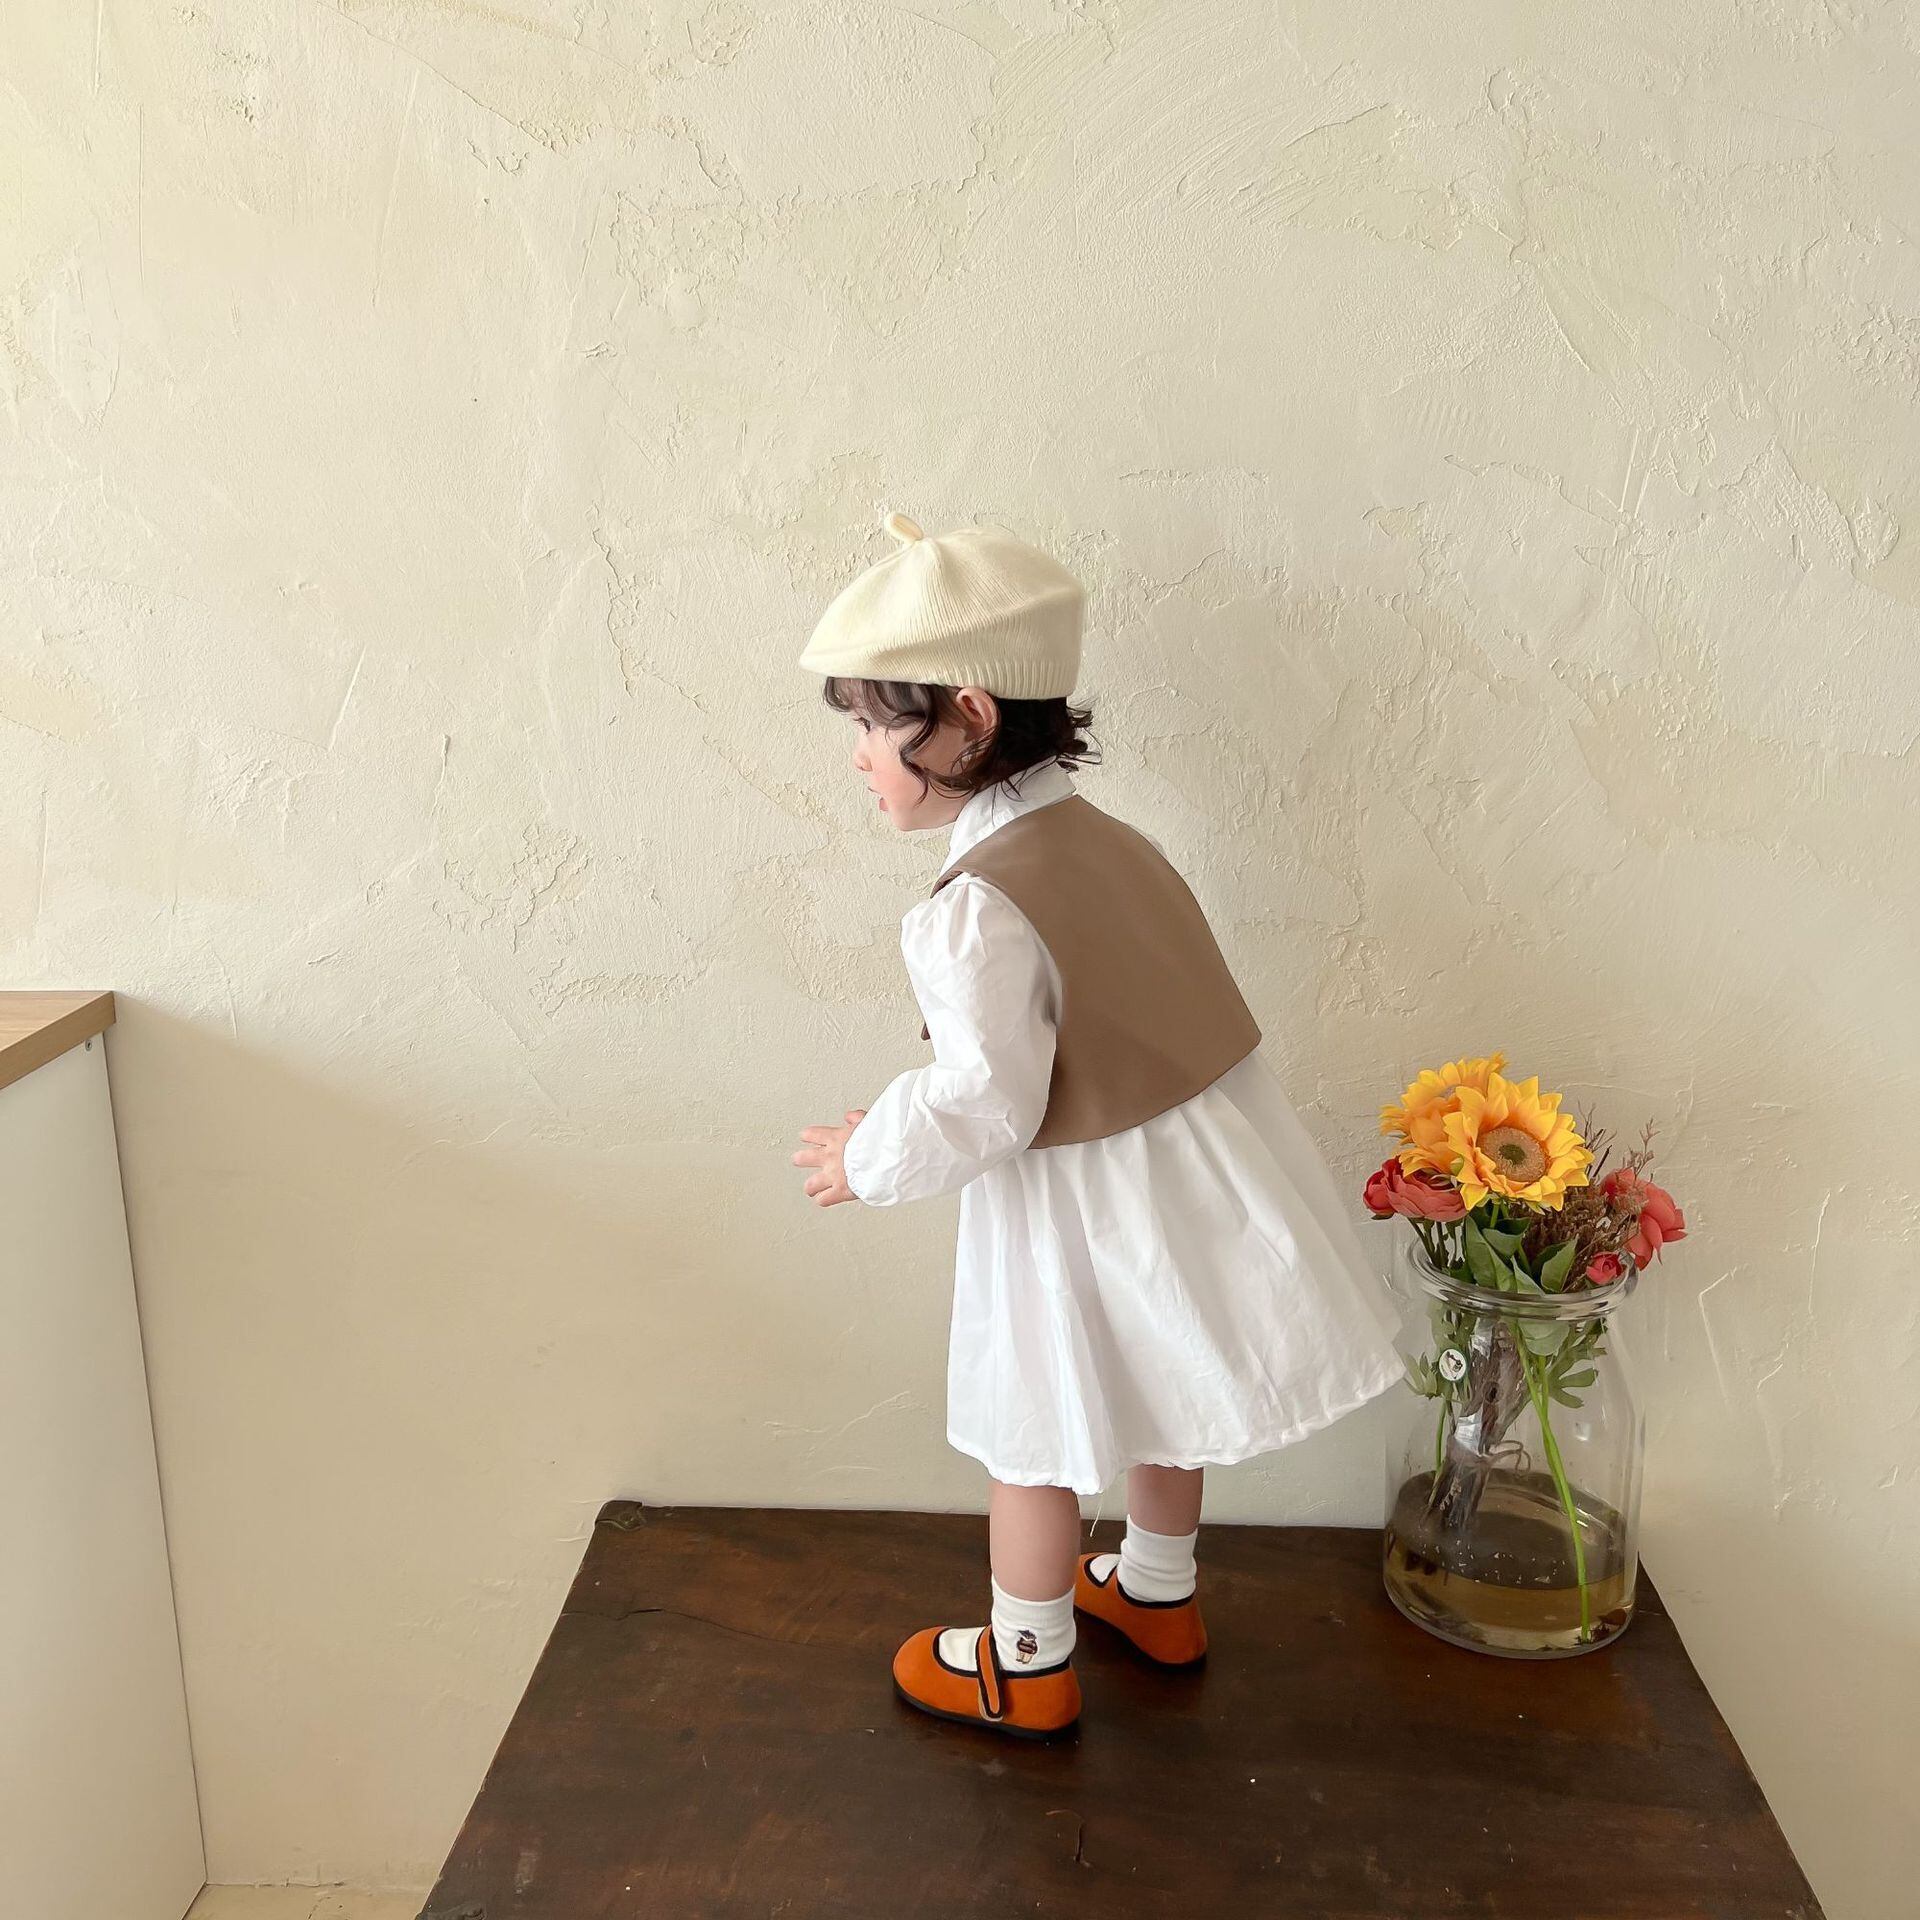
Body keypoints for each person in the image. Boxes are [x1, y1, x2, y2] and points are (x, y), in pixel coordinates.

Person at [790, 509, 1406, 1740]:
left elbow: (985, 1099)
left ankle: (1026, 1660)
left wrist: (868, 1155)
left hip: (1071, 1199)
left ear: (969, 715)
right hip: (1189, 1176)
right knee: (1169, 1381)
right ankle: (1159, 1592)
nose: (856, 755)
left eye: (872, 721)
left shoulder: (975, 905)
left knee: (1031, 1420)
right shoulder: (1112, 842)